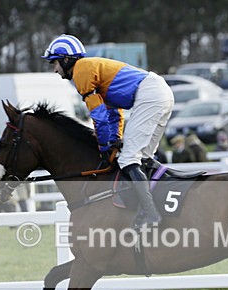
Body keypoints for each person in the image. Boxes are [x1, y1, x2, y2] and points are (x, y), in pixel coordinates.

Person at [41, 34, 174, 228]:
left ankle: (151, 213)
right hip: (160, 92)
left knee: (129, 159)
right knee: (143, 158)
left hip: (151, 95)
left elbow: (99, 116)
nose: (54, 69)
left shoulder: (81, 71)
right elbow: (114, 113)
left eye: (55, 63)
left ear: (67, 60)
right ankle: (158, 204)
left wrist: (104, 146)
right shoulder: (92, 70)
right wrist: (114, 139)